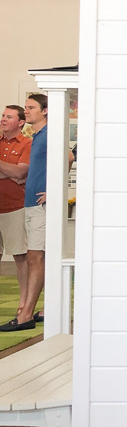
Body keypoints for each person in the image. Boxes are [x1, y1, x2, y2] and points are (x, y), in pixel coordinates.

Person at [0, 94, 50, 332]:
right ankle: (29, 311)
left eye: (31, 108)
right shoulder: (38, 136)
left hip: (25, 205)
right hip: (29, 203)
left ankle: (25, 312)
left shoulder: (40, 137)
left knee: (32, 257)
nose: (27, 111)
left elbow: (22, 173)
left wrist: (53, 189)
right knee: (34, 256)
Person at [0, 105, 32, 319]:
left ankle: (23, 303)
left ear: (20, 122)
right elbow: (15, 173)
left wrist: (14, 173)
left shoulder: (27, 143)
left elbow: (22, 171)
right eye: (3, 115)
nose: (3, 119)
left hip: (15, 207)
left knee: (21, 257)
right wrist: (10, 173)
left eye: (9, 117)